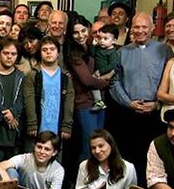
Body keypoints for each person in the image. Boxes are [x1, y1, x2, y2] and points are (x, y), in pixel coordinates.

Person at [108, 12, 169, 188]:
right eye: (137, 27)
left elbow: (171, 79)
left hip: (155, 113)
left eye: (144, 27)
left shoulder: (164, 50)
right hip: (129, 112)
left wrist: (158, 104)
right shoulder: (122, 52)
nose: (140, 30)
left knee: (154, 157)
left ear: (152, 28)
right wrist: (128, 102)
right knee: (128, 156)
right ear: (131, 29)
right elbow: (114, 81)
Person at [66, 16, 111, 164]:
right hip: (84, 105)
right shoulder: (74, 53)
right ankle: (82, 185)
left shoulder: (92, 48)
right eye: (75, 32)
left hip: (99, 103)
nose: (80, 36)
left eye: (83, 30)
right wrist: (105, 83)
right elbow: (87, 80)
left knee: (101, 148)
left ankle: (97, 184)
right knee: (88, 149)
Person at [23, 36, 74, 149]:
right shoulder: (33, 75)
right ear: (40, 53)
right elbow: (29, 101)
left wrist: (67, 125)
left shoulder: (65, 77)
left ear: (58, 53)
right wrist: (32, 123)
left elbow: (69, 103)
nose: (48, 52)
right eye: (44, 50)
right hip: (37, 129)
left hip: (57, 129)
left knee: (55, 163)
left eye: (52, 49)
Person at [0, 39, 25, 162]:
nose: (9, 57)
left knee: (13, 175)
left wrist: (13, 112)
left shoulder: (21, 76)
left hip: (14, 134)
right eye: (6, 53)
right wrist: (6, 114)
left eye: (13, 54)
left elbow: (22, 99)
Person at [91, 23, 120, 111]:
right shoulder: (99, 48)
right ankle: (99, 100)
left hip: (106, 74)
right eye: (100, 38)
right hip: (98, 73)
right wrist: (93, 45)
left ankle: (99, 101)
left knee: (94, 83)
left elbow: (112, 65)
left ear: (114, 40)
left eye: (105, 39)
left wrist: (101, 71)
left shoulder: (112, 52)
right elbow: (92, 55)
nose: (102, 41)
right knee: (93, 84)